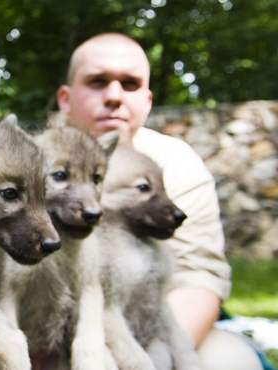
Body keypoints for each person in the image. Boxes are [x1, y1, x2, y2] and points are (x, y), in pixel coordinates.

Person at [56, 32, 262, 370]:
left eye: (130, 84)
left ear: (147, 101)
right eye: (97, 81)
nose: (113, 96)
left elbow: (199, 277)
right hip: (55, 331)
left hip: (153, 321)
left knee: (232, 362)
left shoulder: (176, 161)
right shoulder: (35, 160)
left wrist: (146, 360)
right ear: (65, 99)